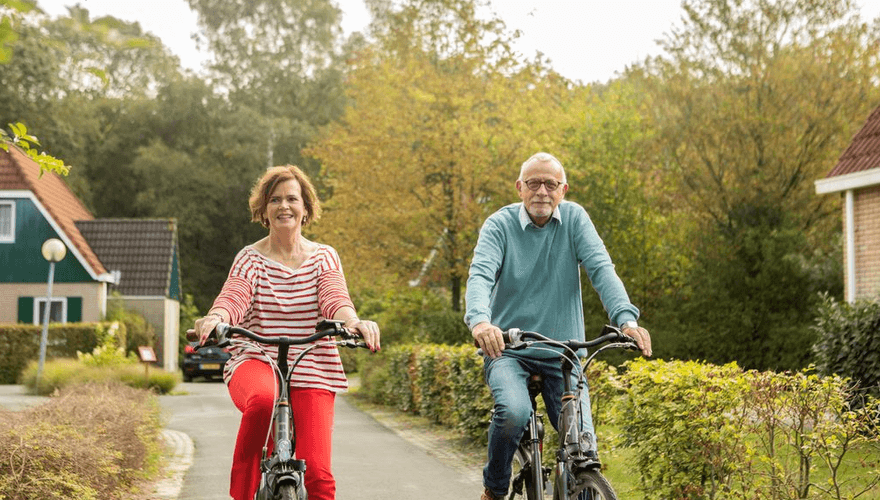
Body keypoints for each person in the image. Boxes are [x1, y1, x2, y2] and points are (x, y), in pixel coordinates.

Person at [465, 152, 652, 500]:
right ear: (520, 188)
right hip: (508, 349)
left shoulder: (576, 220)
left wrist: (626, 320)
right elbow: (480, 275)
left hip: (563, 354)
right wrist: (480, 322)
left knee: (582, 449)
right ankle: (494, 488)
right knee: (513, 413)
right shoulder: (498, 225)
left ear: (563, 190)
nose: (542, 191)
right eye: (533, 183)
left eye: (550, 184)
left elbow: (601, 268)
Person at [189, 165, 380, 500]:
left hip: (314, 366)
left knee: (319, 473)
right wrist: (215, 317)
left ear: (306, 208)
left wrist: (353, 323)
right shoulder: (250, 259)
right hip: (256, 360)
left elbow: (335, 298)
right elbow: (235, 295)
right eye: (274, 199)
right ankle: (243, 495)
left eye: (292, 198)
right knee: (262, 402)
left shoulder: (324, 257)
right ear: (263, 210)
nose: (283, 206)